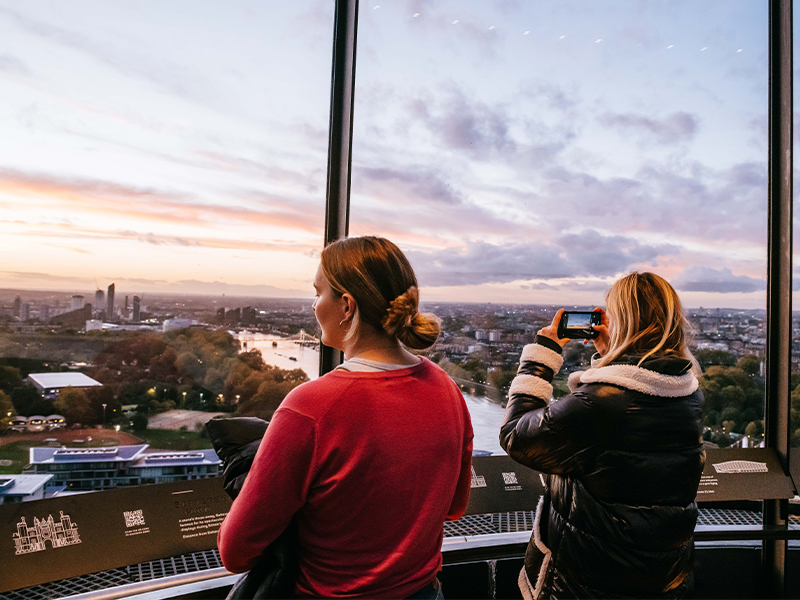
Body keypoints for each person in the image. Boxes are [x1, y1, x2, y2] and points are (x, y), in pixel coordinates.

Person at [218, 236, 474, 599]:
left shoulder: (309, 408)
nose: (313, 305)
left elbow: (235, 551)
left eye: (318, 292)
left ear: (346, 306)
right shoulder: (446, 388)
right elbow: (455, 506)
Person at [500, 272, 705, 599]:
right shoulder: (688, 396)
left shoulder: (603, 404)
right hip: (662, 579)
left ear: (622, 321)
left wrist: (541, 358)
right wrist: (612, 357)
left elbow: (516, 436)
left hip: (591, 583)